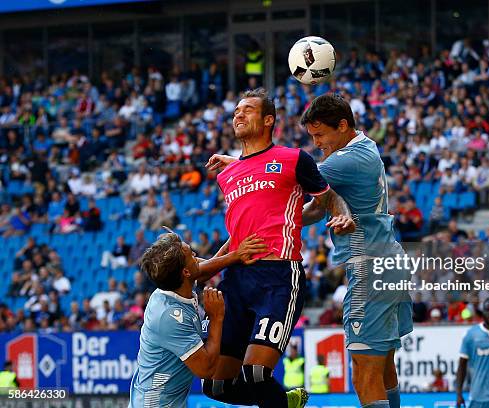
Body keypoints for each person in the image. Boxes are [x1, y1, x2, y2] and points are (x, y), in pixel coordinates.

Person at [204, 88, 354, 408]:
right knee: (214, 386)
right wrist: (207, 268)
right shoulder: (228, 174)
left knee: (256, 373)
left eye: (248, 110)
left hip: (278, 276)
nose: (238, 115)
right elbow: (237, 233)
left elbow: (327, 196)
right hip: (236, 279)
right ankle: (287, 402)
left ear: (269, 120)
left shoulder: (294, 159)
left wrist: (343, 214)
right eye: (236, 111)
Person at [299, 94, 412, 408]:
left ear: (343, 125)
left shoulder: (343, 161)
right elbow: (315, 207)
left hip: (370, 266)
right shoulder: (365, 147)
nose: (317, 142)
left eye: (320, 134)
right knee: (383, 366)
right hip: (389, 261)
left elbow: (290, 181)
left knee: (364, 368)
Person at [128, 228, 267, 407]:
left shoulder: (176, 284)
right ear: (185, 272)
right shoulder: (168, 317)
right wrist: (216, 318)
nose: (195, 255)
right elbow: (207, 369)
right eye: (192, 256)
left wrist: (235, 246)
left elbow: (203, 269)